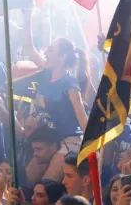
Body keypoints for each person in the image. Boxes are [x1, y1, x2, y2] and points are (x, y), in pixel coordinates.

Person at [23, 10, 90, 181]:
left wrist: (93, 147)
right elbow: (29, 49)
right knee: (26, 182)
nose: (46, 52)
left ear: (62, 56)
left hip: (70, 140)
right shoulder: (46, 72)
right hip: (50, 141)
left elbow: (82, 116)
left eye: (51, 50)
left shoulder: (70, 84)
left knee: (47, 185)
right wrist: (27, 15)